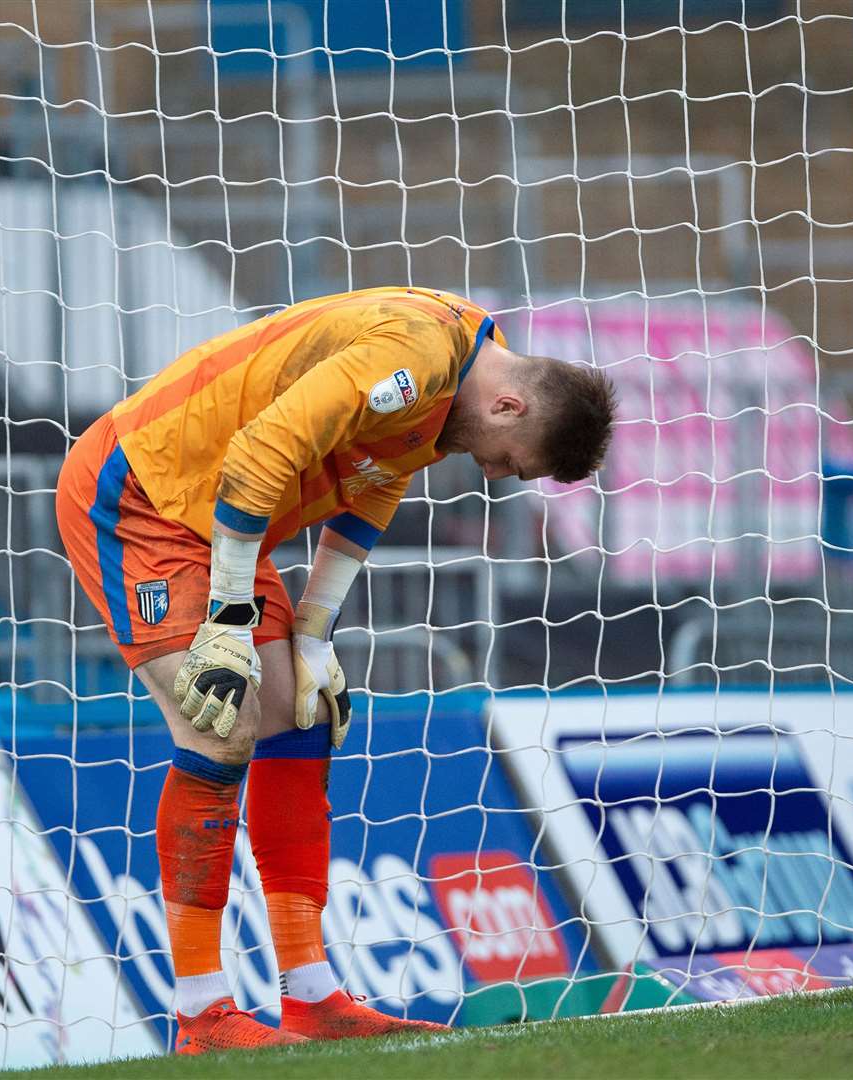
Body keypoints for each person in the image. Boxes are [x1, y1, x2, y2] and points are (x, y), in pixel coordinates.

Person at [55, 286, 616, 1055]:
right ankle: (200, 1013)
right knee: (223, 726)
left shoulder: (452, 379)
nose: (495, 476)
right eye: (512, 464)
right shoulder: (416, 357)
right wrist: (226, 622)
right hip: (144, 495)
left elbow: (374, 487)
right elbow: (261, 450)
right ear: (511, 407)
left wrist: (314, 633)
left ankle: (311, 996)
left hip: (222, 517)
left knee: (299, 717)